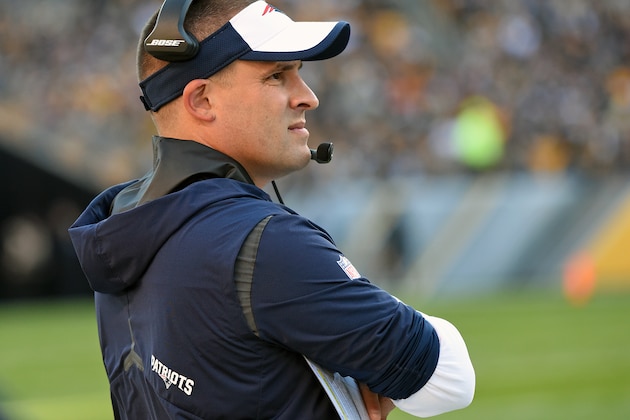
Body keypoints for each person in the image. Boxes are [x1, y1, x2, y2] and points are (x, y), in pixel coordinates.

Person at [69, 1, 475, 419]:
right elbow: (449, 379)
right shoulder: (264, 242)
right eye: (277, 75)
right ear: (202, 100)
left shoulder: (121, 228)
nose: (308, 98)